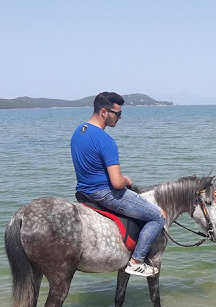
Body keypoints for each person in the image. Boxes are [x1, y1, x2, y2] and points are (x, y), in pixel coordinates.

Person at [70, 92, 165, 277]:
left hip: (83, 192)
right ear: (104, 112)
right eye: (117, 114)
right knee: (158, 217)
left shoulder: (78, 131)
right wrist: (126, 180)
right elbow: (116, 182)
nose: (120, 118)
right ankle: (136, 261)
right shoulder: (106, 141)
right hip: (104, 193)